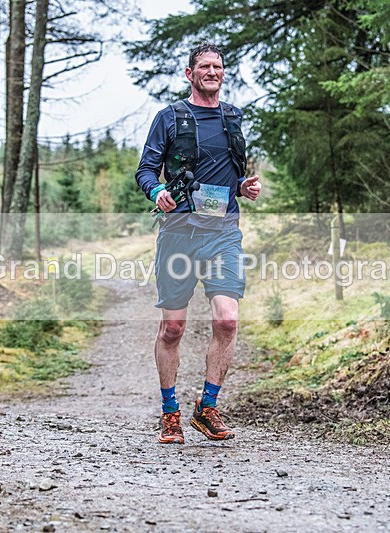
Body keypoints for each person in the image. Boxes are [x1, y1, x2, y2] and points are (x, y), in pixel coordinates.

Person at [135, 43, 262, 444]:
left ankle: (207, 407)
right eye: (204, 66)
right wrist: (156, 191)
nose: (212, 71)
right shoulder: (170, 118)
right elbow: (145, 170)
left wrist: (244, 186)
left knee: (227, 319)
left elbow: (231, 177)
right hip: (179, 232)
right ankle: (170, 411)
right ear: (189, 74)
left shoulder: (232, 117)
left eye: (218, 66)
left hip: (222, 232)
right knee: (173, 327)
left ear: (223, 73)